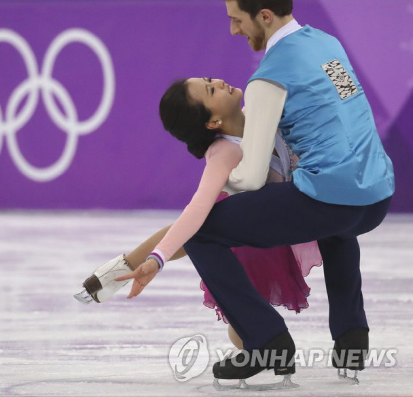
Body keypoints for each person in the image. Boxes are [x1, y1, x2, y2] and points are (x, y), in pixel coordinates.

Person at [119, 0, 394, 387]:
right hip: (376, 195)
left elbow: (248, 178)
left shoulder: (268, 77)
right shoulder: (327, 44)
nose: (233, 30)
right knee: (338, 224)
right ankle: (352, 339)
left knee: (203, 232)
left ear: (264, 16)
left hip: (331, 198)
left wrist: (216, 176)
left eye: (237, 20)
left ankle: (265, 341)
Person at [76, 76, 323, 351]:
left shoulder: (259, 111)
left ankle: (122, 267)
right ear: (213, 122)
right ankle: (124, 268)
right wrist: (158, 259)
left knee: (203, 226)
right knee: (204, 230)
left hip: (276, 216)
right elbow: (195, 211)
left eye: (209, 80)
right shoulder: (224, 150)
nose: (218, 81)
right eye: (210, 89)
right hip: (247, 240)